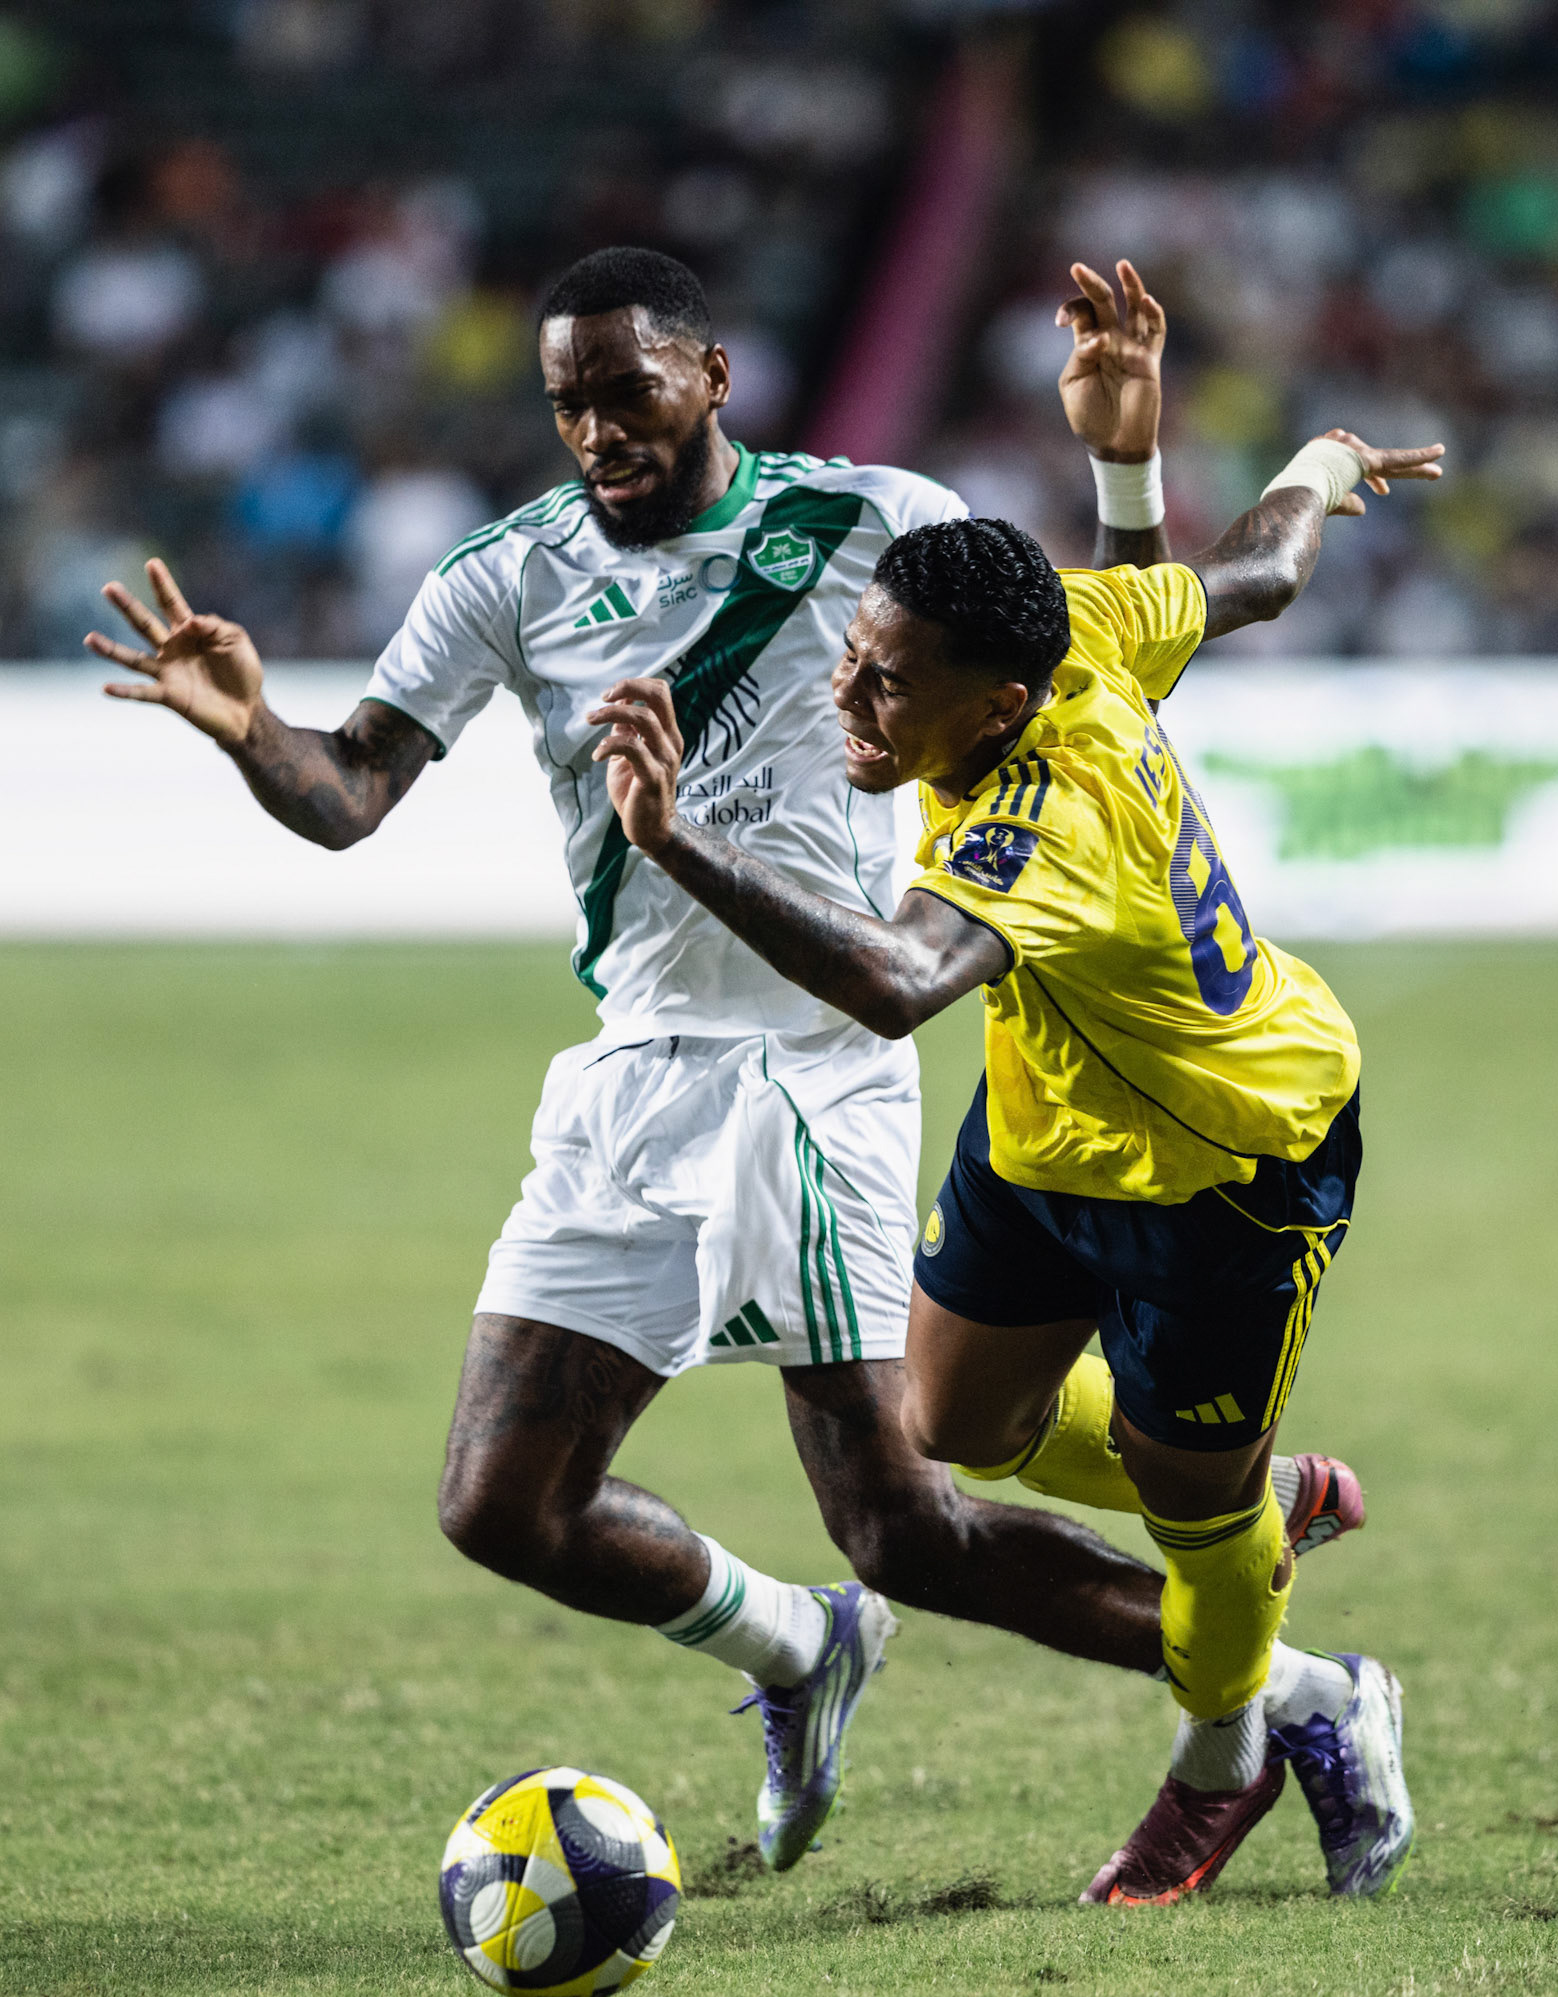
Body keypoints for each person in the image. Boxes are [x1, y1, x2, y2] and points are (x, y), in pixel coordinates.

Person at [88, 244, 1359, 1891]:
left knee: (909, 1516)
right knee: (502, 1507)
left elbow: (1087, 649)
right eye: (566, 404)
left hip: (819, 1062)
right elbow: (351, 796)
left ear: (712, 376)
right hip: (635, 1066)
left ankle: (1294, 1698)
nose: (597, 430)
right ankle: (798, 1646)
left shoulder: (873, 519)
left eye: (625, 391)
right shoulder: (503, 574)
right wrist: (251, 727)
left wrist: (1139, 461)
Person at [580, 420, 1443, 1904]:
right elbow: (1249, 577)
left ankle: (1230, 1757)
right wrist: (1312, 463)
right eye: (856, 652)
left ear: (1005, 706)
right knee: (955, 1426)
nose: (848, 690)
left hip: (1225, 1168)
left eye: (888, 682)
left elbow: (899, 981)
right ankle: (1270, 1494)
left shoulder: (1050, 822)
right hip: (1051, 1124)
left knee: (1196, 1519)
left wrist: (672, 841)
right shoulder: (1068, 622)